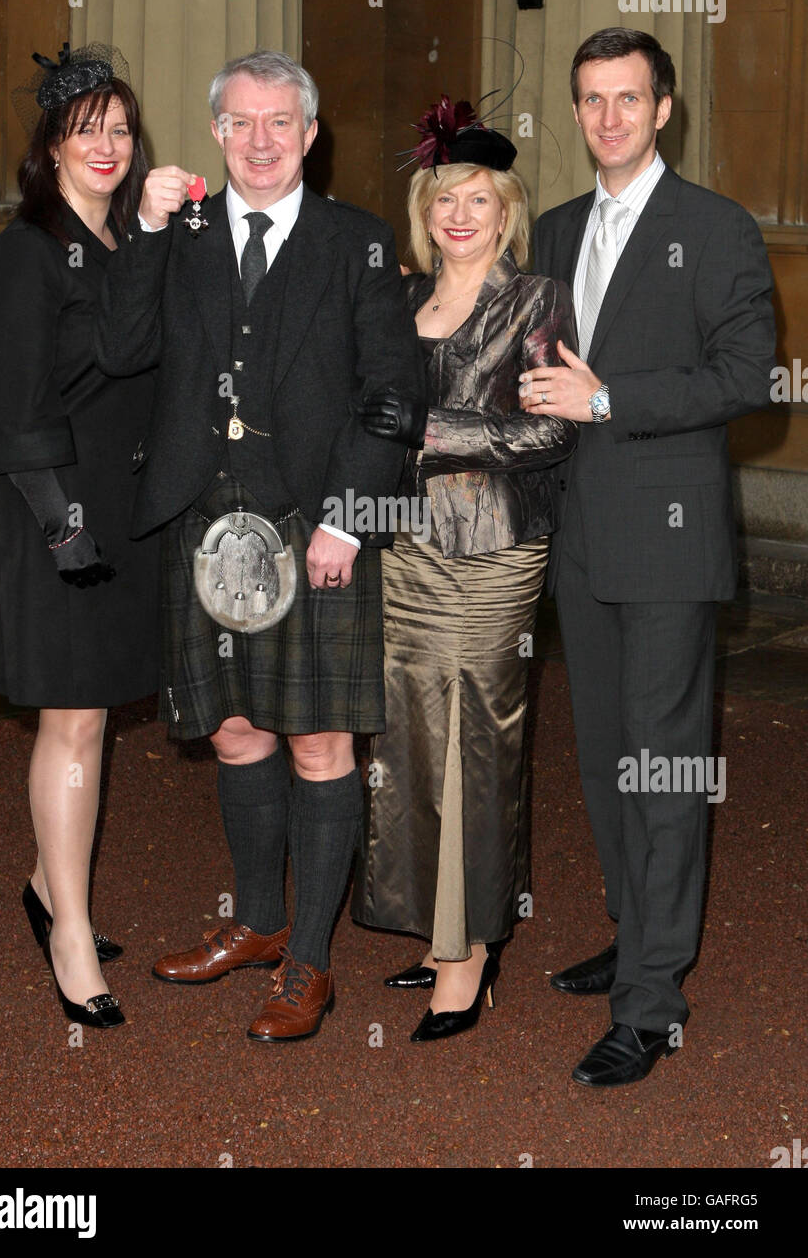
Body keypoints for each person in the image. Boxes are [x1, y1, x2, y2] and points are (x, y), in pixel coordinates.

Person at [95, 49, 424, 1042]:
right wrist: (144, 229)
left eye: (280, 121)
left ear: (310, 134)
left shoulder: (356, 242)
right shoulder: (177, 230)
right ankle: (255, 922)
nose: (261, 140)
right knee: (235, 729)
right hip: (202, 517)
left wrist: (345, 518)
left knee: (321, 743)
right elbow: (119, 349)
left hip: (311, 523)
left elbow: (392, 399)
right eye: (240, 122)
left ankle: (311, 963)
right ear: (214, 135)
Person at [524, 27, 777, 1086]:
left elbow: (745, 375)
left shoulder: (713, 228)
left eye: (628, 98)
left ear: (662, 108)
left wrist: (609, 399)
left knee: (662, 767)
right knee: (597, 756)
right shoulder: (552, 228)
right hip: (577, 537)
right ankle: (633, 935)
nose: (609, 117)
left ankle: (651, 1003)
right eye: (591, 100)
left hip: (668, 541)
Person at [352, 98, 578, 1042]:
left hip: (491, 555)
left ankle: (473, 950)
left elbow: (548, 428)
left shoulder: (535, 299)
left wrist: (431, 428)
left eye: (477, 200)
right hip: (402, 548)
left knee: (475, 745)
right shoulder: (400, 298)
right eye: (444, 196)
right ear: (424, 207)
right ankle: (433, 930)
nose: (458, 214)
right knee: (403, 744)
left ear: (506, 211)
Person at [0, 43, 161, 1030]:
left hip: (124, 510)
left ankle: (51, 882)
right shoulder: (23, 252)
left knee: (94, 713)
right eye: (87, 130)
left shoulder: (129, 243)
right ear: (49, 147)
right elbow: (10, 409)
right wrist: (59, 526)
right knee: (74, 718)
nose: (108, 145)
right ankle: (71, 935)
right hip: (57, 510)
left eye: (121, 129)